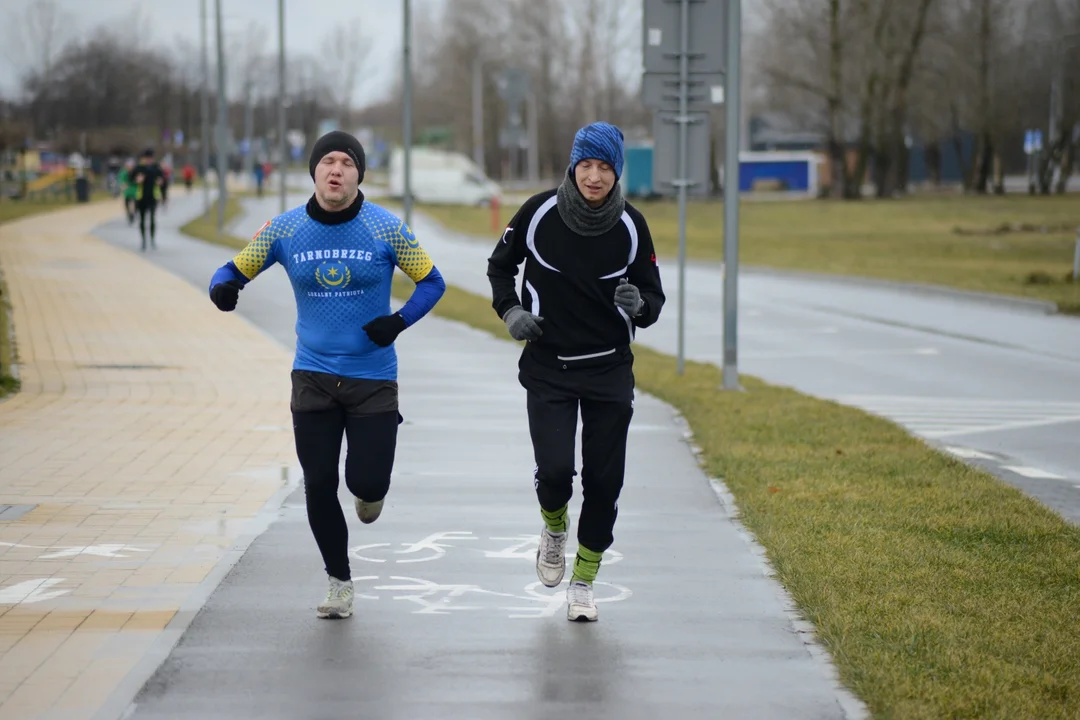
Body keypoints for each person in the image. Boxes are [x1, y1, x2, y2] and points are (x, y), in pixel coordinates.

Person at [207, 130, 446, 620]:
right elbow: (230, 269)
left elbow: (432, 282)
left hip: (372, 377)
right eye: (327, 162)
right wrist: (224, 288)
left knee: (366, 483)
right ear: (314, 171)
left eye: (346, 163)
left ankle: (371, 492)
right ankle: (339, 582)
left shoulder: (385, 228)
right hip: (312, 375)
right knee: (318, 484)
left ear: (359, 174)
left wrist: (398, 322)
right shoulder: (285, 229)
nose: (336, 170)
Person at [487, 121, 665, 622]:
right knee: (557, 475)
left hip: (609, 369)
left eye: (604, 167)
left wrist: (640, 304)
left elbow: (653, 297)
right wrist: (511, 312)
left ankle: (584, 582)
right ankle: (554, 529)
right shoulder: (538, 212)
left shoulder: (631, 225)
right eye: (585, 165)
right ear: (572, 166)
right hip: (549, 367)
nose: (593, 176)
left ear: (616, 172)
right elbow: (500, 268)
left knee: (605, 482)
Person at [131, 148, 165, 250]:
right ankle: (143, 240)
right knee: (142, 219)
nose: (149, 160)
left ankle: (152, 239)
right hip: (141, 197)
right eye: (147, 158)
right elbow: (131, 179)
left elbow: (163, 181)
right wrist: (137, 180)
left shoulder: (156, 168)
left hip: (153, 197)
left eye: (150, 158)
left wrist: (160, 182)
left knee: (152, 219)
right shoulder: (139, 168)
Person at [117, 158, 137, 225]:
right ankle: (130, 214)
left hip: (133, 191)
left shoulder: (135, 172)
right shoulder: (124, 172)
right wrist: (123, 186)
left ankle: (132, 214)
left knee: (132, 203)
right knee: (126, 205)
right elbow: (121, 182)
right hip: (126, 192)